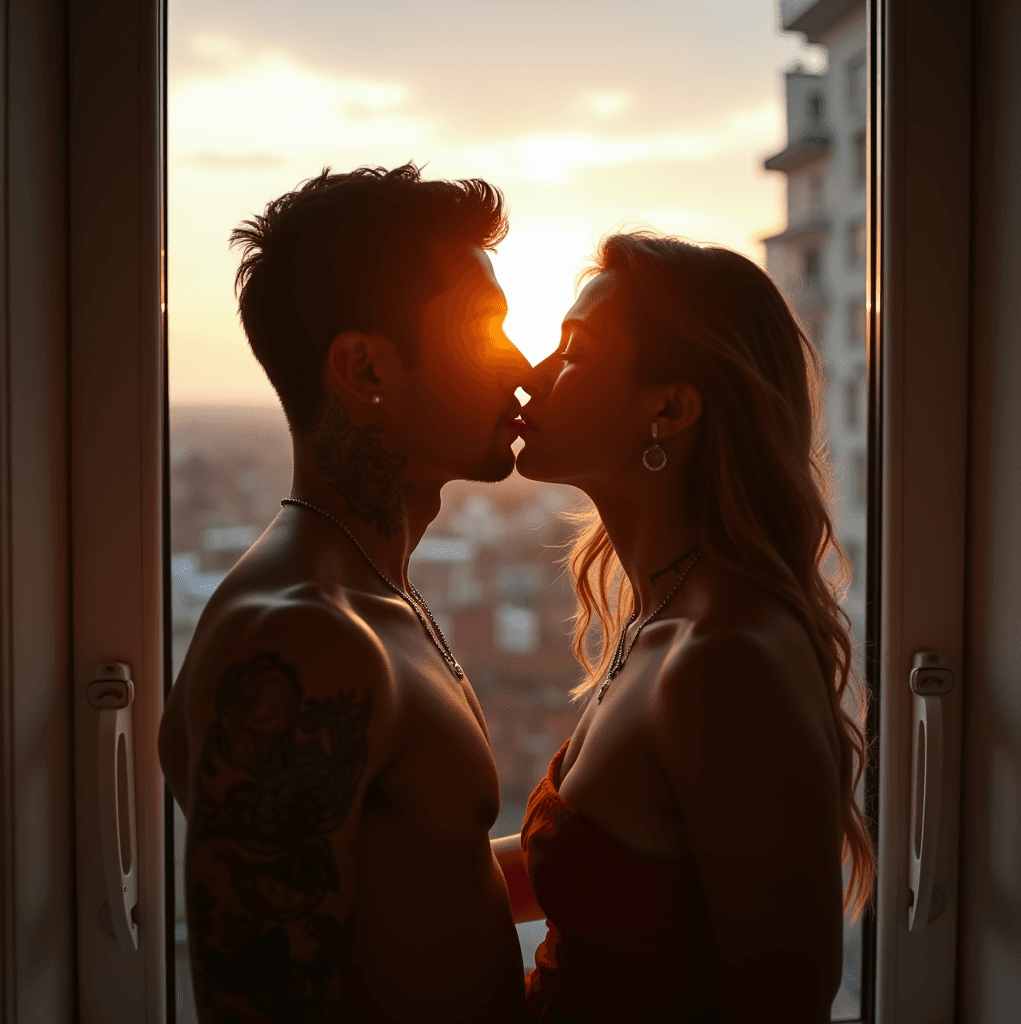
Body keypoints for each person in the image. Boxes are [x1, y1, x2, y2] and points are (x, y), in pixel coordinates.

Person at [158, 164, 531, 1024]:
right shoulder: (300, 640)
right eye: (484, 331)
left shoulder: (371, 594)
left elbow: (422, 882)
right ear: (365, 367)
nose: (519, 364)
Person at [494, 232, 875, 1023]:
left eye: (574, 352)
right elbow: (605, 877)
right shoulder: (663, 620)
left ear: (668, 408)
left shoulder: (727, 661)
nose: (530, 377)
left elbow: (783, 1001)